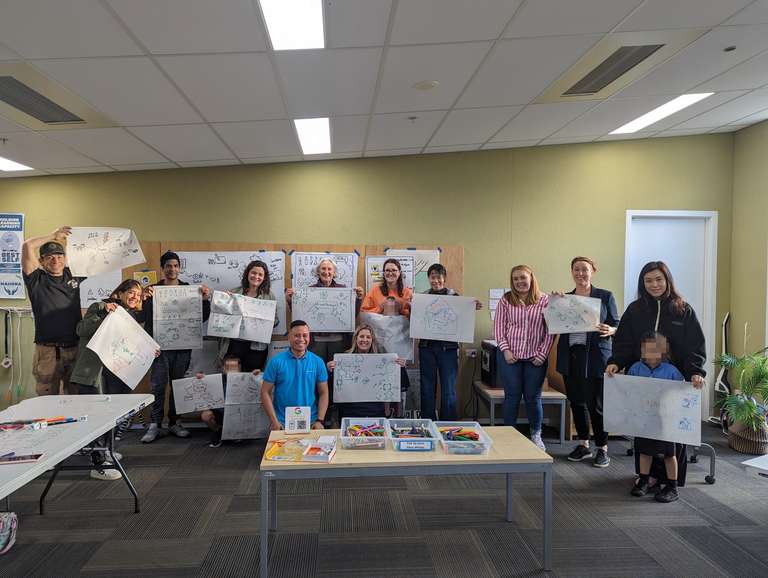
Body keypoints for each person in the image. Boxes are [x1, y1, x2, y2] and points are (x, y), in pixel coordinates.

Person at [606, 260, 706, 489]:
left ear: (667, 280)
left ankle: (670, 481)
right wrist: (615, 362)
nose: (654, 284)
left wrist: (695, 372)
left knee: (670, 433)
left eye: (658, 279)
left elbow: (695, 345)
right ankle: (645, 477)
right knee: (645, 429)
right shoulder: (635, 309)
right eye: (648, 280)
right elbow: (623, 342)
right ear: (643, 283)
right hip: (642, 381)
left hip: (673, 382)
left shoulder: (683, 309)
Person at [70, 279, 159, 480]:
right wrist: (105, 314)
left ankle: (106, 450)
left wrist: (148, 351)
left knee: (112, 414)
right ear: (119, 293)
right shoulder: (101, 307)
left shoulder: (130, 316)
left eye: (138, 294)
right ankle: (98, 463)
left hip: (115, 373)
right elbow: (81, 330)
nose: (135, 296)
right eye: (131, 292)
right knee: (97, 417)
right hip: (95, 373)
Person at [140, 251, 211, 444]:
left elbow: (202, 317)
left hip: (182, 348)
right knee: (158, 387)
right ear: (163, 269)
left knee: (178, 386)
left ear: (180, 268)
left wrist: (204, 300)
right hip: (159, 349)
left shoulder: (189, 289)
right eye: (168, 266)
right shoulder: (153, 290)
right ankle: (154, 424)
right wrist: (143, 298)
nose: (172, 269)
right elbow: (142, 317)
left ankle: (174, 421)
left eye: (176, 266)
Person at [555, 257, 618, 468]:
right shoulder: (565, 297)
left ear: (593, 271)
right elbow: (553, 321)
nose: (580, 273)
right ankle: (583, 444)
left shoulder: (605, 296)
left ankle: (602, 448)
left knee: (596, 405)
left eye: (584, 269)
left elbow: (618, 325)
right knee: (577, 402)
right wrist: (554, 302)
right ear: (571, 272)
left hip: (596, 357)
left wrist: (612, 330)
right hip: (571, 356)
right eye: (576, 270)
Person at [493, 264, 554, 451]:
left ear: (531, 278)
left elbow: (550, 331)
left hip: (536, 358)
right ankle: (508, 434)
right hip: (510, 356)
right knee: (511, 397)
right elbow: (499, 328)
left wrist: (542, 354)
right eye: (515, 279)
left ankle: (536, 434)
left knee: (532, 397)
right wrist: (506, 350)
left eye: (523, 277)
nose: (519, 281)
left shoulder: (545, 300)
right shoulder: (506, 300)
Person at [626, 332, 691, 503]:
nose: (650, 354)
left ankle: (672, 486)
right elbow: (628, 390)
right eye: (647, 349)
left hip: (666, 421)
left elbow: (682, 392)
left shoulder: (672, 371)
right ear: (642, 350)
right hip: (645, 420)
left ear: (663, 351)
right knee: (644, 451)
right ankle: (644, 481)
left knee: (669, 454)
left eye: (655, 350)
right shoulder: (635, 369)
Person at [21, 226, 83, 396]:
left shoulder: (73, 276)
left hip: (74, 348)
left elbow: (97, 257)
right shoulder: (36, 279)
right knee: (47, 400)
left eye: (59, 256)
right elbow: (27, 245)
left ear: (64, 258)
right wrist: (53, 236)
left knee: (76, 398)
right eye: (49, 257)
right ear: (41, 261)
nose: (55, 260)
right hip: (48, 351)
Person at [418, 264, 482, 421]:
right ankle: (428, 422)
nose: (436, 280)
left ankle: (448, 423)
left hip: (448, 349)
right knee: (427, 387)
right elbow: (418, 319)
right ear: (429, 279)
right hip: (427, 348)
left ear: (444, 279)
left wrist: (473, 307)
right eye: (432, 277)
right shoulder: (422, 298)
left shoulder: (455, 297)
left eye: (439, 277)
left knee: (448, 388)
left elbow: (462, 316)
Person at [286, 257, 364, 362]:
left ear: (334, 272)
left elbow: (352, 315)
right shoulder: (309, 291)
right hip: (315, 340)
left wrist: (359, 298)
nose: (326, 272)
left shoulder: (343, 290)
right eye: (323, 269)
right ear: (318, 272)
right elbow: (300, 316)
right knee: (316, 369)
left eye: (329, 269)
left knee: (336, 370)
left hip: (339, 340)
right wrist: (291, 301)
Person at [326, 324, 407, 420]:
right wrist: (330, 371)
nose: (365, 340)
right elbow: (331, 386)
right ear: (356, 339)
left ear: (372, 340)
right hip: (349, 411)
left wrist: (400, 368)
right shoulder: (343, 359)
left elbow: (401, 384)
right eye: (361, 336)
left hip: (375, 411)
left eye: (368, 337)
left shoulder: (382, 361)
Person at [261, 320, 329, 431]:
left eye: (305, 335)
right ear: (289, 337)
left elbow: (324, 392)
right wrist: (274, 421)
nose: (301, 339)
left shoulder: (318, 362)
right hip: (282, 423)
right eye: (297, 335)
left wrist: (319, 420)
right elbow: (265, 392)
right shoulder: (276, 362)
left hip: (311, 422)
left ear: (309, 337)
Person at [217, 260, 276, 372]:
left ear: (264, 278)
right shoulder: (234, 292)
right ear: (247, 273)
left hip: (257, 347)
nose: (256, 276)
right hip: (234, 344)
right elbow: (222, 317)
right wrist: (224, 302)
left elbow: (276, 321)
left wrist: (267, 322)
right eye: (253, 273)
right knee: (231, 379)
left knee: (252, 378)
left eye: (260, 274)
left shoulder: (269, 296)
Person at [198, 355, 261, 448]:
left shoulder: (247, 378)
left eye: (234, 367)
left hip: (240, 414)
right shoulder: (216, 380)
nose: (231, 370)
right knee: (206, 415)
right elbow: (202, 388)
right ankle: (218, 431)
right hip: (221, 413)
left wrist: (257, 377)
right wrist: (200, 379)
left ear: (239, 368)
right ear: (223, 368)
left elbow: (260, 390)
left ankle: (238, 433)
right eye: (228, 367)